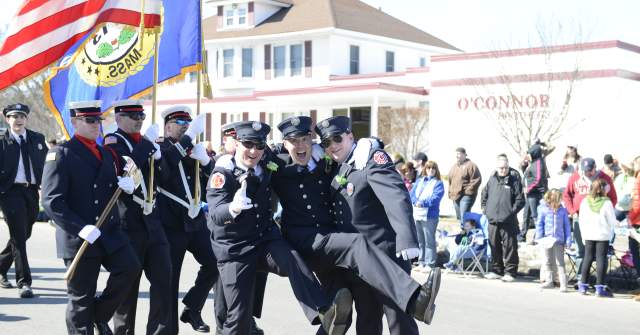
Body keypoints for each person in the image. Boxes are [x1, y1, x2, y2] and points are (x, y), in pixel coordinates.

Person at [271, 116, 438, 334]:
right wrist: (272, 148)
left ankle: (417, 300)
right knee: (367, 319)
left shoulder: (369, 159)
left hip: (386, 255)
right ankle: (416, 299)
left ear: (351, 136)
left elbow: (396, 196)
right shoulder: (331, 166)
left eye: (337, 139)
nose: (333, 146)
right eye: (327, 143)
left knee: (399, 319)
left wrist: (407, 237)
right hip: (356, 260)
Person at [207, 120, 352, 335]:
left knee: (292, 259)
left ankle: (324, 310)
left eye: (259, 145)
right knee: (238, 317)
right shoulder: (223, 173)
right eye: (248, 144)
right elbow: (216, 212)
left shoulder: (267, 161)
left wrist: (317, 147)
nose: (254, 151)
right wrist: (232, 208)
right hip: (235, 249)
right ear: (236, 144)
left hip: (265, 239)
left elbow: (288, 150)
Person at [41, 100, 141, 334]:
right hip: (81, 238)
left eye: (98, 120)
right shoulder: (61, 154)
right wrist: (79, 227)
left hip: (108, 232)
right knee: (81, 299)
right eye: (90, 120)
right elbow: (52, 201)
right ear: (75, 122)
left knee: (130, 268)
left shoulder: (107, 154)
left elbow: (125, 178)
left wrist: (130, 185)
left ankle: (99, 315)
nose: (96, 124)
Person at [103, 100, 172, 335]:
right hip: (128, 221)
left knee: (164, 281)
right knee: (128, 288)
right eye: (133, 116)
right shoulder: (114, 142)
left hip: (153, 220)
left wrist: (161, 157)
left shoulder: (147, 143)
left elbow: (164, 179)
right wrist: (146, 145)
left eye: (141, 116)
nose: (139, 121)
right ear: (119, 118)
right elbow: (127, 168)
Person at [156, 106, 218, 333]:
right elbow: (162, 170)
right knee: (170, 281)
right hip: (171, 223)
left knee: (214, 263)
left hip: (195, 221)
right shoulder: (161, 147)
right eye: (180, 122)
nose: (185, 127)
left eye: (188, 123)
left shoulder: (193, 148)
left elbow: (215, 180)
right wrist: (189, 137)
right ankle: (169, 330)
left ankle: (192, 307)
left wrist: (207, 162)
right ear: (168, 125)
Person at [0, 103, 47, 297]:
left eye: (21, 116)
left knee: (23, 234)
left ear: (26, 119)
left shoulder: (37, 139)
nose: (18, 120)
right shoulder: (2, 141)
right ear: (7, 119)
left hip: (31, 192)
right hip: (10, 193)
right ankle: (24, 282)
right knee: (19, 237)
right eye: (13, 116)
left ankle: (1, 267)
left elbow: (46, 163)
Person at [563, 158, 617, 282]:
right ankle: (581, 279)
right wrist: (572, 211)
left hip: (599, 222)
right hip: (580, 219)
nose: (587, 173)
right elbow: (566, 195)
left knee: (599, 255)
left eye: (590, 171)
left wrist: (606, 212)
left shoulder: (604, 178)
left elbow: (613, 198)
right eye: (585, 171)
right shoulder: (575, 177)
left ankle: (599, 282)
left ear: (595, 168)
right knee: (582, 251)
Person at [481, 154, 525, 282]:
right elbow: (484, 194)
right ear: (497, 167)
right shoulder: (492, 179)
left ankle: (510, 272)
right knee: (494, 245)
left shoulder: (514, 180)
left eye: (505, 168)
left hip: (508, 221)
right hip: (493, 220)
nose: (503, 170)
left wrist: (511, 212)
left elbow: (520, 200)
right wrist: (485, 209)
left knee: (510, 247)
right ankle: (497, 270)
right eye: (501, 168)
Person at [577, 179, 619, 297]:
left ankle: (583, 286)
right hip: (602, 234)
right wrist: (618, 225)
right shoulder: (607, 202)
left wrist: (583, 234)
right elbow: (611, 220)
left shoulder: (585, 201)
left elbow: (581, 219)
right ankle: (599, 288)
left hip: (589, 234)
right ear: (603, 189)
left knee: (587, 258)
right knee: (601, 259)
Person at [410, 160, 445, 272]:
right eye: (429, 168)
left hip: (430, 215)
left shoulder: (438, 183)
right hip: (417, 213)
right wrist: (416, 201)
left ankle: (430, 264)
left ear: (436, 170)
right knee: (420, 240)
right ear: (425, 169)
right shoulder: (419, 181)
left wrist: (423, 203)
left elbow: (436, 198)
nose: (431, 170)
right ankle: (421, 262)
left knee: (429, 240)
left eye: (433, 168)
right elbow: (412, 194)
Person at [535, 189, 572, 292]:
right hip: (547, 240)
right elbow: (540, 224)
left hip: (559, 240)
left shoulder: (563, 211)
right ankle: (549, 281)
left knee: (560, 262)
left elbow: (567, 227)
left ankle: (563, 284)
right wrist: (539, 237)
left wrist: (568, 240)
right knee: (547, 260)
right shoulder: (544, 209)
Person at [521, 142, 550, 242]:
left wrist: (528, 188)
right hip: (530, 194)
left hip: (536, 194)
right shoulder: (532, 163)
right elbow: (526, 174)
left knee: (536, 216)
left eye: (529, 154)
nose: (527, 155)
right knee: (526, 215)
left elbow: (538, 179)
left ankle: (540, 235)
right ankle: (522, 235)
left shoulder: (539, 163)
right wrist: (523, 164)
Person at [448, 147, 482, 225]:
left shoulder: (471, 165)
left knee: (464, 216)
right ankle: (463, 233)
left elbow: (477, 179)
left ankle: (467, 234)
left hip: (466, 196)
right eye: (456, 154)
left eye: (459, 154)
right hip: (455, 196)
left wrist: (468, 191)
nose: (457, 156)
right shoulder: (454, 167)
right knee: (459, 217)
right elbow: (450, 180)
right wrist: (450, 192)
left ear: (464, 155)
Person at [625, 157, 640, 291]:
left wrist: (630, 217)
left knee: (635, 253)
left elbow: (637, 202)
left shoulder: (639, 177)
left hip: (637, 222)